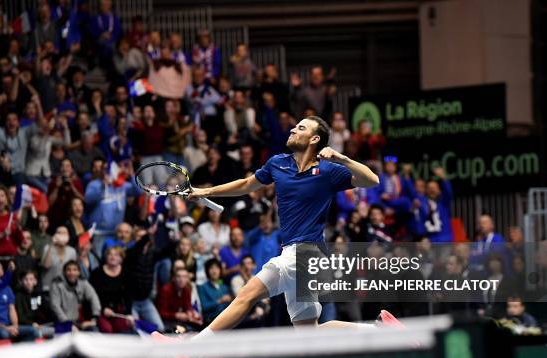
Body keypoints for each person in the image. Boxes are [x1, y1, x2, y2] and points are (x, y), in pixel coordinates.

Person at [187, 115, 392, 340]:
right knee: (309, 332)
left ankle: (193, 347)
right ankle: (380, 330)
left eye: (301, 128)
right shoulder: (278, 163)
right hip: (297, 254)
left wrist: (341, 158)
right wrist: (205, 191)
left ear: (314, 139)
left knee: (247, 294)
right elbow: (247, 184)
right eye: (295, 126)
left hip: (305, 252)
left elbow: (372, 180)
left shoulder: (328, 170)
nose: (293, 129)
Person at [0, 260, 38, 342]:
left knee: (34, 332)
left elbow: (12, 310)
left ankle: (19, 353)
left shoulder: (7, 289)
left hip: (9, 326)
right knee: (4, 334)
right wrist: (6, 328)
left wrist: (15, 326)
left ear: (2, 272)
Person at [90, 247, 134, 333]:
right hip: (100, 310)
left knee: (123, 328)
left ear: (121, 258)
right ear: (106, 257)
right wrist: (103, 309)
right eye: (110, 254)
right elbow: (92, 296)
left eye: (116, 255)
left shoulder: (126, 273)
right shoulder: (97, 273)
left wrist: (129, 314)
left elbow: (128, 296)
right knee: (107, 329)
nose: (113, 257)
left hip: (118, 311)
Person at [49, 260, 101, 331]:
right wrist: (68, 324)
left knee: (94, 330)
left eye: (74, 270)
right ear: (64, 272)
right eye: (68, 270)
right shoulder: (56, 284)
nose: (72, 273)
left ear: (79, 272)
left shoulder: (83, 282)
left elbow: (93, 297)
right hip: (61, 321)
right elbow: (55, 306)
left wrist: (95, 318)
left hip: (78, 321)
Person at [157, 267, 203, 332]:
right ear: (174, 278)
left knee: (199, 326)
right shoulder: (166, 290)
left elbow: (187, 307)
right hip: (167, 320)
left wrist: (191, 314)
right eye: (178, 276)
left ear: (187, 279)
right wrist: (176, 315)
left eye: (184, 277)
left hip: (179, 320)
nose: (181, 279)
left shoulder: (187, 290)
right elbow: (161, 313)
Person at [15, 270, 55, 338]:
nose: (28, 282)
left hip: (42, 324)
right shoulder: (18, 296)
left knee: (67, 328)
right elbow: (20, 316)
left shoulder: (39, 294)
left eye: (31, 279)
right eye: (25, 279)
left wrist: (58, 321)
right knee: (56, 332)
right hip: (29, 326)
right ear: (21, 281)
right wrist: (32, 323)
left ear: (35, 281)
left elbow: (48, 310)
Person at [41, 226, 77, 292]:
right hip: (48, 288)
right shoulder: (47, 248)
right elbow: (46, 266)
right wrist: (51, 244)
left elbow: (73, 272)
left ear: (68, 236)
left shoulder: (72, 251)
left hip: (65, 289)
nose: (62, 235)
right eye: (59, 233)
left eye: (64, 233)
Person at [198, 259, 232, 323]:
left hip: (225, 319)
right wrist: (220, 301)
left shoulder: (224, 287)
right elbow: (204, 307)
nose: (214, 271)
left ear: (220, 270)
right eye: (211, 268)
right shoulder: (203, 287)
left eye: (217, 268)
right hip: (211, 320)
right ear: (207, 271)